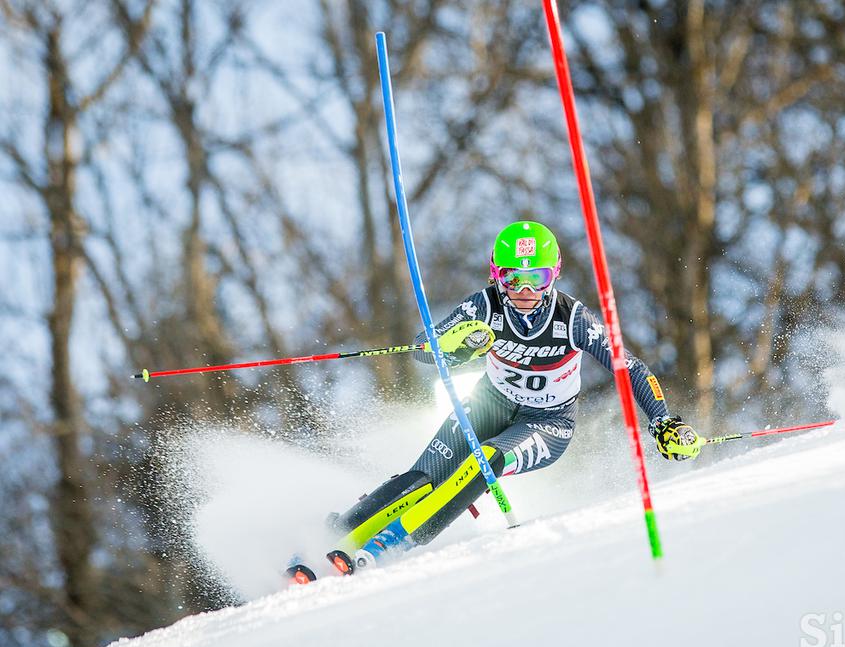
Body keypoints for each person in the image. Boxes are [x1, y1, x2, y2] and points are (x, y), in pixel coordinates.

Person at [287, 221, 702, 583]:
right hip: (489, 403)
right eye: (512, 278)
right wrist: (454, 350)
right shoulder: (484, 306)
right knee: (421, 478)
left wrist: (662, 421)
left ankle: (393, 542)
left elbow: (628, 366)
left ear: (553, 275)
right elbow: (421, 348)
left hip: (547, 423)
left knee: (484, 461)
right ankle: (335, 533)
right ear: (496, 276)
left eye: (536, 278)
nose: (524, 291)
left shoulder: (572, 318)